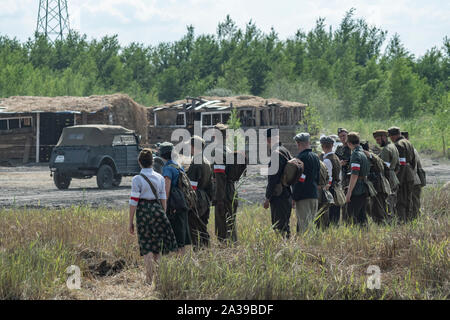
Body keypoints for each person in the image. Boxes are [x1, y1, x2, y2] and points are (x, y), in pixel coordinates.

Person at [128, 149, 178, 285]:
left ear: (140, 163)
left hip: (143, 212)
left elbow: (133, 201)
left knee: (147, 247)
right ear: (152, 162)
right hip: (158, 211)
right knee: (158, 247)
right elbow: (163, 198)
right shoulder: (160, 177)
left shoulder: (137, 179)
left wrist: (130, 221)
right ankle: (160, 279)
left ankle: (149, 280)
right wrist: (163, 215)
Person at [160, 142, 192, 254]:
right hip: (182, 203)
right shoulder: (179, 166)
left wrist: (163, 207)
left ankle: (177, 265)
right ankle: (183, 263)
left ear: (162, 155)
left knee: (175, 238)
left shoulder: (167, 168)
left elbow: (166, 191)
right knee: (182, 238)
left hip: (173, 206)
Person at [263, 128, 293, 238]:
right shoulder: (285, 151)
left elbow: (273, 179)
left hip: (279, 196)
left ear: (268, 140)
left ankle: (283, 251)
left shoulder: (276, 153)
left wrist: (267, 198)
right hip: (287, 194)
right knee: (285, 226)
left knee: (279, 228)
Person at [212, 123, 238, 243]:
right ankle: (233, 250)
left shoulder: (218, 152)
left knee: (222, 228)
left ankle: (226, 252)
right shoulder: (228, 149)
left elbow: (220, 177)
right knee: (231, 225)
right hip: (232, 191)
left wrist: (220, 199)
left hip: (224, 194)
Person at [186, 135, 213, 248]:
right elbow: (210, 185)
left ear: (194, 147)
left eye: (190, 146)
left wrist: (189, 202)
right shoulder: (206, 161)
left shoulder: (196, 162)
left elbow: (191, 187)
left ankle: (199, 251)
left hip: (196, 198)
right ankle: (206, 251)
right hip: (205, 198)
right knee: (203, 227)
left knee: (194, 228)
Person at [292, 132, 320, 233]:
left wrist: (294, 197)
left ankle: (308, 248)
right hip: (314, 195)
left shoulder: (300, 158)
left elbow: (300, 180)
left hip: (303, 197)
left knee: (304, 228)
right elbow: (318, 178)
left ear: (299, 143)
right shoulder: (316, 157)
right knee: (311, 226)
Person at [388, 127, 416, 222]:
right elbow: (413, 161)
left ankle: (402, 221)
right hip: (410, 174)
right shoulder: (408, 142)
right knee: (408, 199)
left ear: (394, 135)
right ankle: (409, 221)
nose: (390, 139)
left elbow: (402, 164)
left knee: (401, 201)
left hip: (404, 175)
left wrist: (398, 180)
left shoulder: (398, 145)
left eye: (390, 136)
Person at [361, 141, 390, 224]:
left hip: (378, 185)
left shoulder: (370, 157)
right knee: (377, 206)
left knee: (378, 208)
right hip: (378, 185)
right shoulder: (373, 156)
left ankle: (381, 225)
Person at [345, 132, 370, 226]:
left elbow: (354, 175)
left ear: (349, 143)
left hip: (357, 189)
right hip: (364, 186)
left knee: (351, 216)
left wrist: (349, 192)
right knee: (362, 216)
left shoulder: (355, 155)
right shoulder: (364, 153)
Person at [373, 130, 400, 216]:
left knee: (388, 203)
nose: (377, 142)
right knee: (393, 202)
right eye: (376, 140)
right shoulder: (393, 146)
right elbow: (398, 166)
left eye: (378, 139)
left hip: (388, 179)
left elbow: (384, 168)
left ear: (384, 137)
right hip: (394, 177)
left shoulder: (386, 150)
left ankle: (389, 222)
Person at [319, 135, 342, 226]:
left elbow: (329, 177)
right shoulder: (336, 157)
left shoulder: (327, 160)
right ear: (332, 145)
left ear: (322, 146)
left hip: (331, 189)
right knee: (335, 213)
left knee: (330, 214)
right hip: (337, 187)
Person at [402, 131, 424, 220]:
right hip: (415, 180)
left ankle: (415, 223)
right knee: (414, 205)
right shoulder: (412, 149)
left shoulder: (410, 151)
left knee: (414, 206)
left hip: (413, 181)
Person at [335, 128, 352, 223]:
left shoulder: (352, 147)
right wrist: (339, 163)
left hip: (352, 175)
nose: (342, 138)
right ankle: (345, 220)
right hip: (343, 176)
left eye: (344, 135)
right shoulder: (339, 148)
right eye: (340, 136)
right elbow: (335, 159)